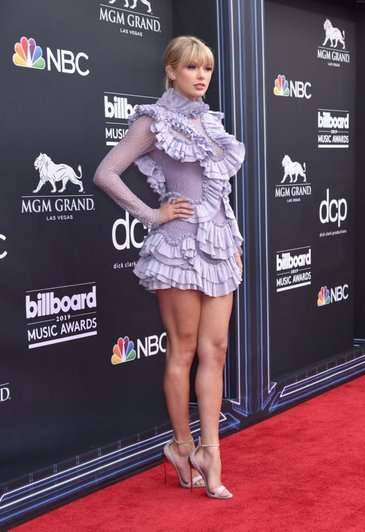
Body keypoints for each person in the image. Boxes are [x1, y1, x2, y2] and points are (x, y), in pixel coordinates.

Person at [94, 36, 243, 499]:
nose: (202, 77)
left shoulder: (211, 123)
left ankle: (209, 449)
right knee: (182, 350)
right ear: (172, 71)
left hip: (219, 247)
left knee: (215, 350)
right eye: (193, 68)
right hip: (178, 248)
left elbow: (217, 192)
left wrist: (233, 240)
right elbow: (106, 172)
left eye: (208, 70)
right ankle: (182, 446)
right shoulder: (153, 121)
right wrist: (152, 214)